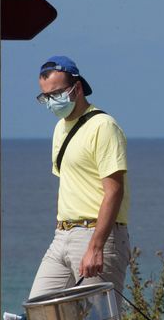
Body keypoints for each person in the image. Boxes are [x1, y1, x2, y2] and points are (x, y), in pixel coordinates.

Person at [28, 55, 131, 299]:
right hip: (62, 235)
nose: (52, 101)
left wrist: (95, 247)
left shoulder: (103, 126)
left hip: (96, 234)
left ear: (77, 88)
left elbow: (114, 191)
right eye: (46, 97)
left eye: (57, 93)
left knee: (98, 315)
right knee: (39, 308)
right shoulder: (60, 128)